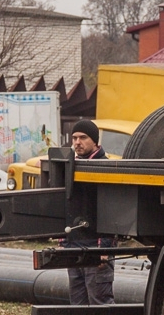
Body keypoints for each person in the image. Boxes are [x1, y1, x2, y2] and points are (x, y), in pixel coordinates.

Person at [63, 119, 115, 305]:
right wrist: (64, 241)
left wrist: (104, 248)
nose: (77, 142)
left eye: (83, 137)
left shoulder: (105, 167)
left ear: (95, 141)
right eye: (74, 138)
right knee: (77, 306)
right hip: (74, 248)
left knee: (100, 303)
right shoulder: (70, 166)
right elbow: (67, 205)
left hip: (96, 248)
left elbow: (111, 211)